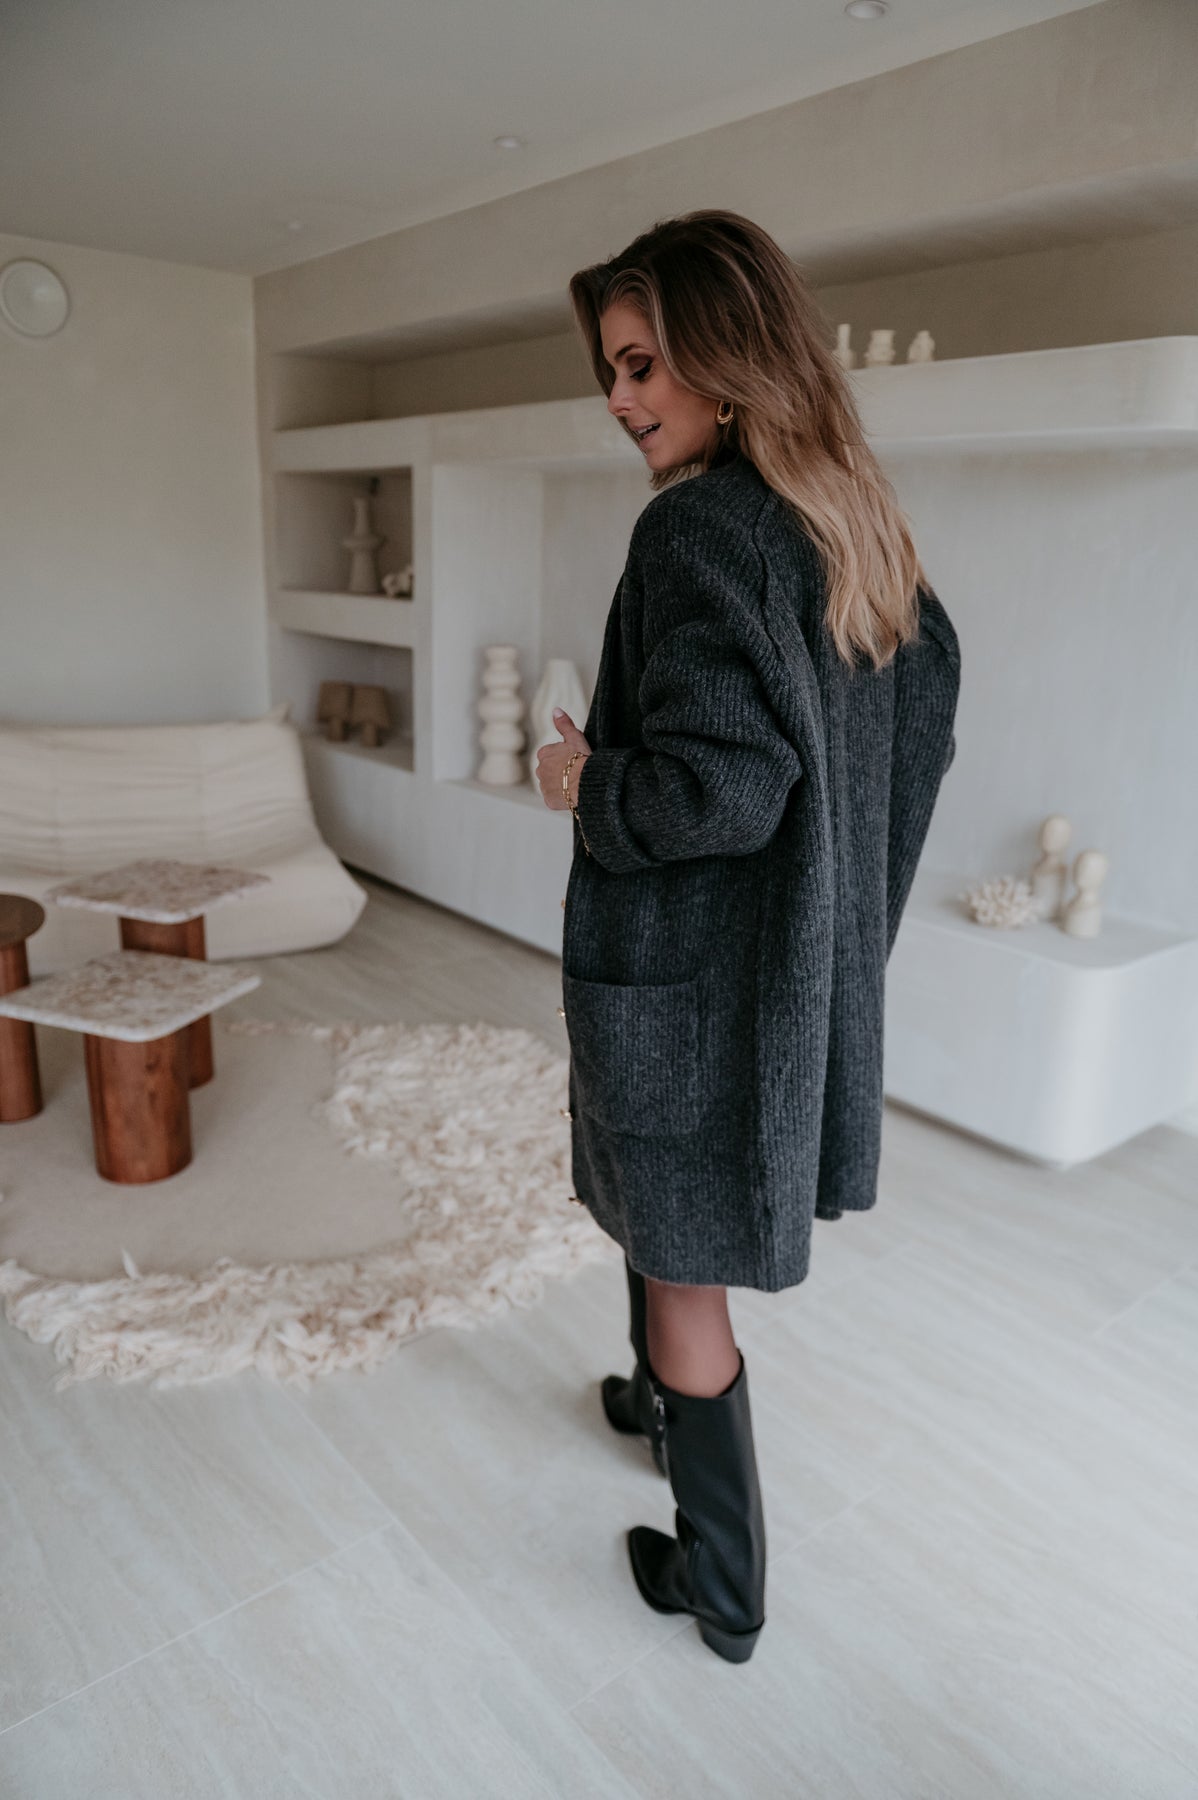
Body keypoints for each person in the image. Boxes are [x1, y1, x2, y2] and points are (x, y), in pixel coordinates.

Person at [534, 209, 960, 1664]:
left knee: (682, 1268)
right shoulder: (857, 530)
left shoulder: (700, 526)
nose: (619, 398)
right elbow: (908, 744)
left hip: (697, 985)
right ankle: (656, 1403)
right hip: (770, 981)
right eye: (612, 368)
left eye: (642, 364)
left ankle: (720, 1587)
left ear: (728, 359)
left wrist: (586, 782)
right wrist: (837, 929)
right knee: (669, 1219)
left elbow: (720, 786)